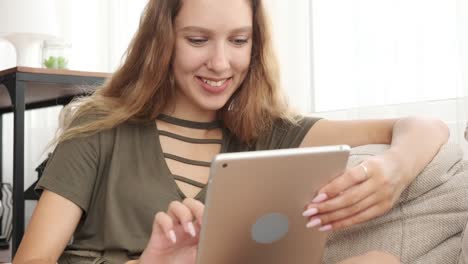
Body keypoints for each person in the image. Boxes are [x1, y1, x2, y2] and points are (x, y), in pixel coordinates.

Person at [13, 0, 449, 263]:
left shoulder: (269, 132)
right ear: (161, 41)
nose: (221, 64)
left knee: (379, 258)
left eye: (239, 41)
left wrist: (395, 169)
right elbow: (33, 257)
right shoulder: (99, 127)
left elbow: (423, 127)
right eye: (198, 40)